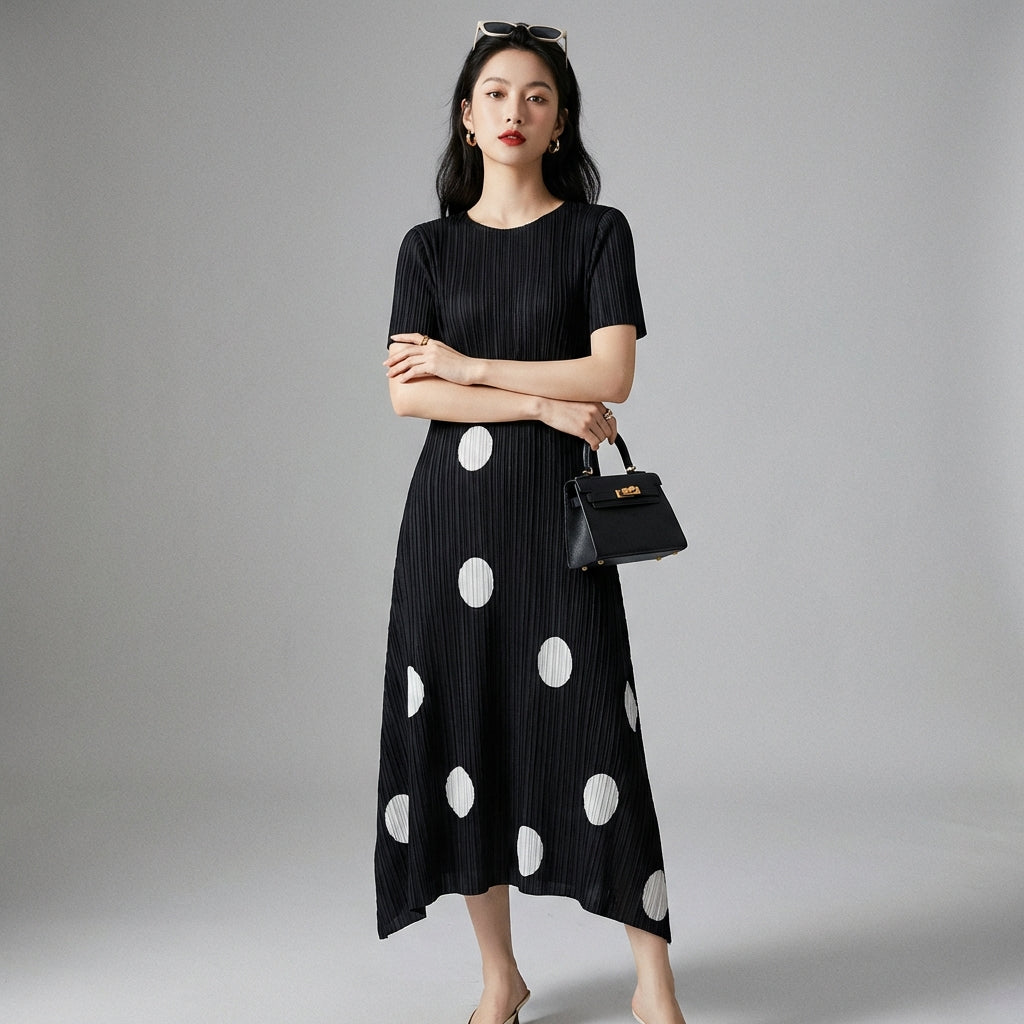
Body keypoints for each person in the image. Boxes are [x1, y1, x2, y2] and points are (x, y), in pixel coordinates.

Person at [376, 21, 687, 1024]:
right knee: (465, 738)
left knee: (600, 730)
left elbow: (611, 373)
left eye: (538, 96)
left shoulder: (598, 232)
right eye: (498, 93)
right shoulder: (427, 248)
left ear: (561, 122)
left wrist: (471, 366)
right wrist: (542, 406)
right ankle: (498, 977)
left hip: (556, 524)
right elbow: (408, 397)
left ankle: (654, 984)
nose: (517, 110)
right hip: (451, 524)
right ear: (466, 118)